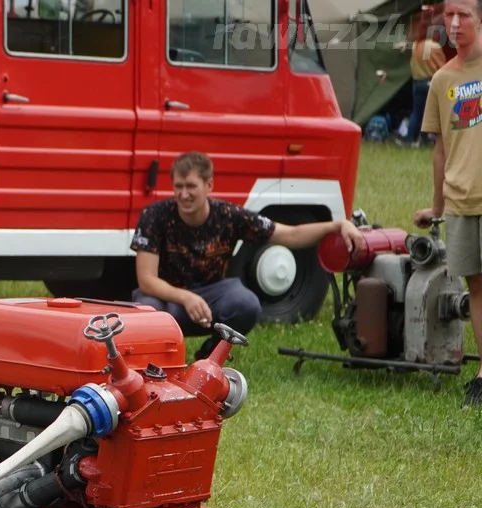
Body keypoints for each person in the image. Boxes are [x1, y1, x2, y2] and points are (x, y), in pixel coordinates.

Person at [130, 151, 365, 360]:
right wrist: (185, 298)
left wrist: (338, 226)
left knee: (246, 304)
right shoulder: (155, 215)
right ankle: (158, 361)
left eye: (190, 186)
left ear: (209, 185)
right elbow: (146, 280)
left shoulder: (229, 215)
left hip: (213, 295)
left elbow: (291, 235)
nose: (183, 194)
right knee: (144, 307)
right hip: (170, 299)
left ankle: (210, 356)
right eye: (178, 186)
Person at [414, 0, 482, 407]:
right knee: (477, 288)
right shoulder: (441, 79)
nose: (454, 24)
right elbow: (440, 149)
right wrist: (437, 206)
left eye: (464, 15)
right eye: (449, 15)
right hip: (461, 199)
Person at [398, 13, 448, 147]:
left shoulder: (415, 46)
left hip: (417, 83)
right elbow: (443, 67)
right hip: (430, 83)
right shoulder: (434, 46)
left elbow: (406, 48)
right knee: (429, 115)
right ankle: (422, 140)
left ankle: (408, 139)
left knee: (416, 113)